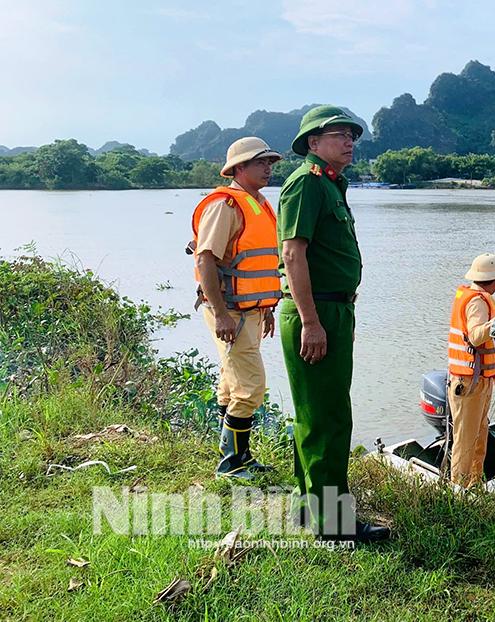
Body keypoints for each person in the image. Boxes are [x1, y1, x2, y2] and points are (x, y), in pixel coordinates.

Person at [277, 104, 388, 542]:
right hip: (317, 312)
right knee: (329, 418)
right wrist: (311, 322)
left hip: (331, 309)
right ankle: (334, 525)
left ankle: (311, 510)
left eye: (353, 135)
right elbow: (292, 254)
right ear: (313, 143)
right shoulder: (306, 184)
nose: (350, 142)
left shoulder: (330, 186)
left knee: (316, 414)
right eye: (340, 134)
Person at [190, 136, 282, 479]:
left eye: (270, 163)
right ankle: (232, 464)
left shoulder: (258, 203)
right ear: (239, 168)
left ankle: (235, 456)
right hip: (230, 310)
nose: (268, 168)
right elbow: (206, 259)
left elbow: (259, 262)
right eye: (261, 163)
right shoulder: (224, 205)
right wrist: (222, 314)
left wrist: (267, 307)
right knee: (252, 387)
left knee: (232, 386)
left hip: (251, 310)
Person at [446, 253, 495, 487]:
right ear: (494, 280)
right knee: (465, 440)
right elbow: (477, 335)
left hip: (479, 381)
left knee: (479, 436)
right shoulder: (476, 302)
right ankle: (458, 491)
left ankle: (474, 485)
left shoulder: (476, 297)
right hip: (469, 382)